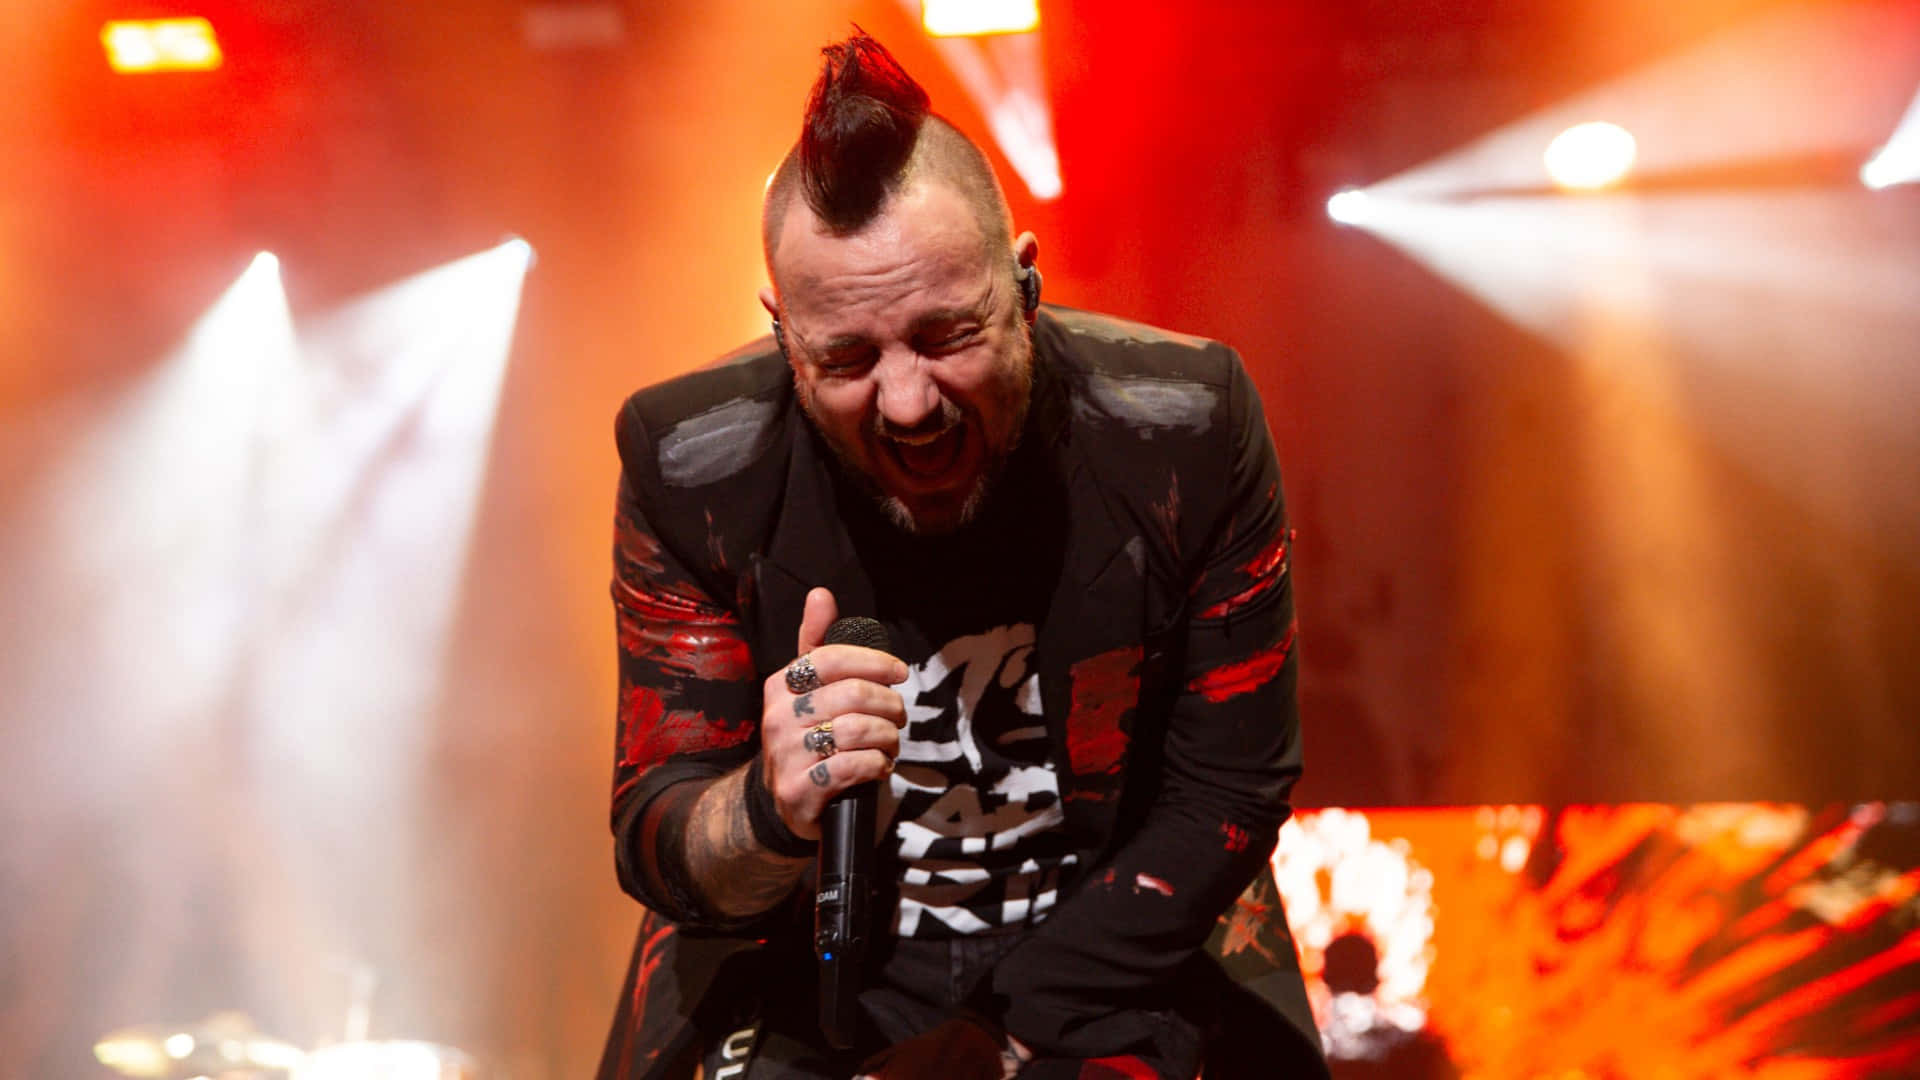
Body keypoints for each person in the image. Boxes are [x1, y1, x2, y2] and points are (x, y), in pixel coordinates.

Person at [596, 31, 1326, 1080]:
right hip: (795, 973)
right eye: (846, 358)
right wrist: (769, 805)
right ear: (783, 333)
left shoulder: (1183, 429)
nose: (907, 404)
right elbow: (658, 832)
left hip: (1122, 948)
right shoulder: (692, 466)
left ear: (1024, 284)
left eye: (946, 336)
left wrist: (1004, 1033)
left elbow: (1230, 789)